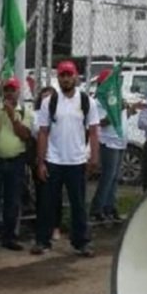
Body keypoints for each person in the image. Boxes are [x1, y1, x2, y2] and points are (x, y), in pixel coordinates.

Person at [34, 60, 99, 257]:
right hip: (54, 160)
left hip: (77, 161)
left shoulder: (87, 101)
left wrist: (93, 158)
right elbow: (43, 133)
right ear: (58, 78)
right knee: (47, 203)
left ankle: (81, 242)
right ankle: (43, 241)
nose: (65, 79)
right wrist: (41, 161)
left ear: (76, 77)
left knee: (78, 204)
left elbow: (94, 131)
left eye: (69, 75)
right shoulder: (49, 102)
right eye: (62, 75)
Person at [0, 77, 33, 253]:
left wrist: (12, 116)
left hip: (16, 160)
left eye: (13, 90)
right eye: (7, 90)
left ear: (18, 92)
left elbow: (24, 135)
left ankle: (9, 236)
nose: (10, 93)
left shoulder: (25, 111)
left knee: (13, 200)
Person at [90, 69, 137, 224]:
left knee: (115, 177)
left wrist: (128, 110)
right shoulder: (99, 101)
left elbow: (122, 118)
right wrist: (115, 112)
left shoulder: (116, 98)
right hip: (108, 141)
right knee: (108, 176)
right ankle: (98, 208)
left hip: (120, 141)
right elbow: (100, 123)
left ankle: (110, 207)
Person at [31, 86, 62, 240]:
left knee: (57, 195)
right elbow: (37, 132)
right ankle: (42, 227)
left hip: (59, 158)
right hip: (42, 157)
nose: (47, 100)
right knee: (42, 194)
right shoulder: (35, 115)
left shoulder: (60, 113)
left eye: (50, 97)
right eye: (44, 97)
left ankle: (56, 226)